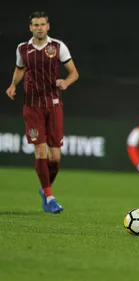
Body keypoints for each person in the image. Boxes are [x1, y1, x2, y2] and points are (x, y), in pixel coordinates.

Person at [5, 11, 79, 213]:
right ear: (30, 28)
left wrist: (65, 82)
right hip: (32, 106)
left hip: (54, 105)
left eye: (42, 24)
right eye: (35, 25)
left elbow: (74, 73)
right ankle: (50, 197)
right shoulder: (23, 49)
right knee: (40, 150)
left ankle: (45, 189)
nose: (39, 28)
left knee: (55, 158)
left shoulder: (57, 47)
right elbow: (20, 69)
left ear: (48, 26)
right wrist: (13, 85)